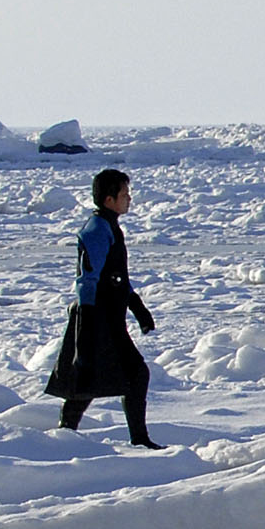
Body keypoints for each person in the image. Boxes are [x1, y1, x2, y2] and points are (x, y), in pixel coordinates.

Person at [45, 167, 164, 449]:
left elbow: (117, 277)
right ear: (109, 199)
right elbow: (88, 279)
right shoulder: (97, 229)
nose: (129, 198)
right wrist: (86, 327)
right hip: (96, 317)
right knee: (125, 374)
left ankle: (66, 436)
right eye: (124, 194)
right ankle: (138, 440)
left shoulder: (109, 226)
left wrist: (138, 309)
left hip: (109, 316)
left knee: (92, 379)